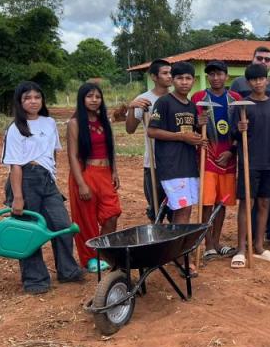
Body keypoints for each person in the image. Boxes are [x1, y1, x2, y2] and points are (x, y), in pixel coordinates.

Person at [1, 81, 84, 294]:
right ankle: (35, 279)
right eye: (27, 98)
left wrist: (52, 176)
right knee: (28, 231)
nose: (33, 101)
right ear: (20, 102)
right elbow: (15, 166)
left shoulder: (49, 123)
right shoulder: (15, 128)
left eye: (37, 97)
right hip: (25, 179)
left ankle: (68, 271)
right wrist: (18, 197)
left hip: (47, 180)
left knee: (62, 226)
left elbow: (52, 153)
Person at [147, 61, 207, 275]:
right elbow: (152, 132)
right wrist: (181, 137)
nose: (184, 82)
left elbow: (191, 136)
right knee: (181, 213)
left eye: (188, 78)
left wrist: (199, 129)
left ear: (193, 81)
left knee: (186, 211)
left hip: (189, 166)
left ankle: (179, 253)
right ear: (172, 80)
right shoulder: (164, 102)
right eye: (180, 78)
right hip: (172, 167)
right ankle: (181, 258)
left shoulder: (191, 106)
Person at [229, 63, 270, 267]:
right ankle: (241, 249)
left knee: (264, 203)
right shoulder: (242, 105)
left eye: (261, 79)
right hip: (248, 162)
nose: (258, 82)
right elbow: (233, 135)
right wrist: (238, 128)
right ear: (248, 82)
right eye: (253, 79)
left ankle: (259, 246)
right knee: (247, 204)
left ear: (267, 80)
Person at [66, 82, 121, 272]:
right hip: (85, 173)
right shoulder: (75, 123)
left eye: (97, 97)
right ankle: (90, 257)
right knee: (86, 219)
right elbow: (72, 155)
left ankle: (104, 253)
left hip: (105, 173)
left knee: (112, 214)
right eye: (90, 96)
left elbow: (110, 148)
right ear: (82, 99)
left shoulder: (104, 120)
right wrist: (81, 184)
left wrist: (114, 170)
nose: (94, 100)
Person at [191, 60, 242, 260]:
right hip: (207, 157)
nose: (216, 78)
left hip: (229, 159)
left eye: (219, 74)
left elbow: (240, 131)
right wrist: (198, 124)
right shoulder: (199, 98)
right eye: (211, 74)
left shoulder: (236, 99)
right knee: (207, 202)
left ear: (226, 76)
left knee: (221, 202)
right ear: (207, 77)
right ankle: (208, 244)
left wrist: (231, 151)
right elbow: (193, 127)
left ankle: (218, 241)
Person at [126, 59, 171, 221]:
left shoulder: (176, 97)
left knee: (176, 209)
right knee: (156, 211)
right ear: (154, 77)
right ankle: (158, 243)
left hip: (174, 163)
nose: (169, 76)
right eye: (165, 73)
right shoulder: (144, 99)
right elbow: (130, 129)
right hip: (152, 163)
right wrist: (132, 108)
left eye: (170, 73)